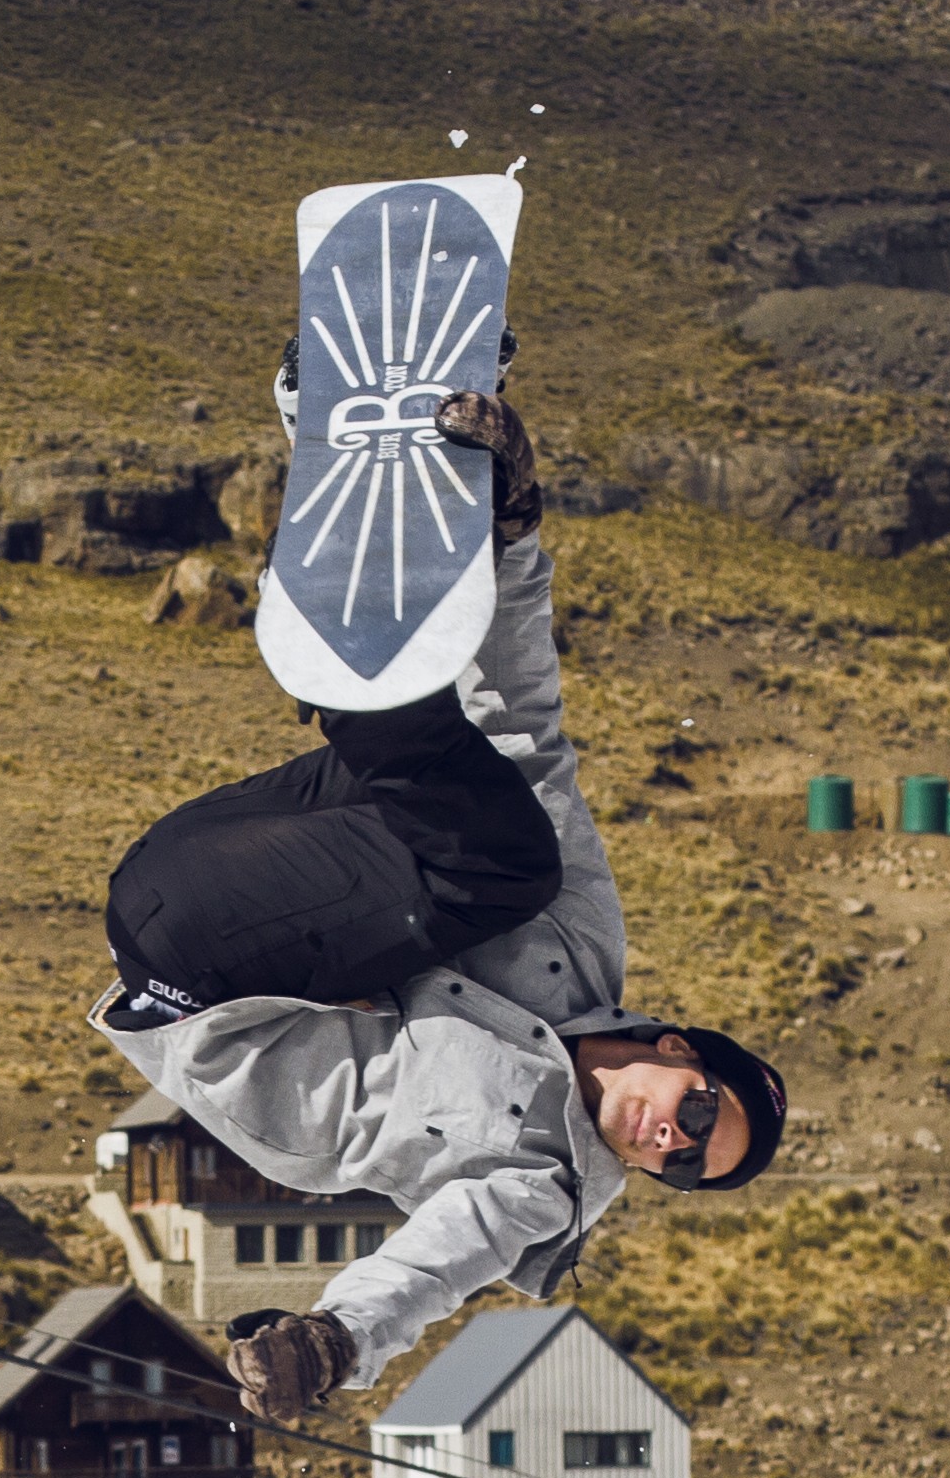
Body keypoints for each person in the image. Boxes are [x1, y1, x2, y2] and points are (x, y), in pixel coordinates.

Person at [95, 387, 789, 1424]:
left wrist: (334, 1343)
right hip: (233, 851)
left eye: (683, 1169)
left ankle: (347, 655)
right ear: (681, 1050)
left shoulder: (538, 1183)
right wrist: (510, 537)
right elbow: (528, 732)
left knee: (505, 857)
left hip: (202, 977)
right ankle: (368, 485)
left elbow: (433, 1267)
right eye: (698, 1115)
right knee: (507, 812)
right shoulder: (582, 947)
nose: (667, 1143)